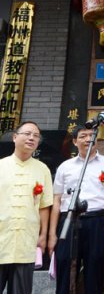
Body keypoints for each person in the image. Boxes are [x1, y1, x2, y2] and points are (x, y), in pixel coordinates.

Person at [48, 125, 104, 294]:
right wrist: (53, 234)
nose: (89, 139)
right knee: (65, 266)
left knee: (95, 268)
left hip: (97, 222)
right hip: (68, 221)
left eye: (92, 135)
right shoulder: (65, 167)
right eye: (83, 136)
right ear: (75, 141)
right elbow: (57, 200)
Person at [0, 121, 53, 294]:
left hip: (26, 241)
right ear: (15, 137)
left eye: (36, 136)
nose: (32, 138)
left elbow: (44, 206)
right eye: (27, 134)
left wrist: (43, 235)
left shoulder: (43, 169)